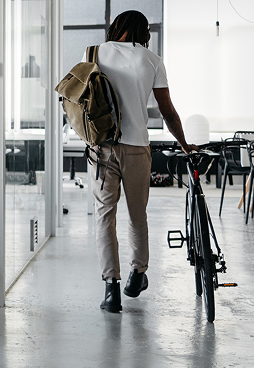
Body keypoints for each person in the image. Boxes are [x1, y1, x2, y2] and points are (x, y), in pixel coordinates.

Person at [88, 10, 195, 313]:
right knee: (138, 214)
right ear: (144, 32)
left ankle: (111, 290)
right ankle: (137, 274)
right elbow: (167, 111)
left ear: (116, 27)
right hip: (137, 148)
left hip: (102, 147)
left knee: (104, 216)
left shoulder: (96, 53)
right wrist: (185, 145)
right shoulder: (152, 60)